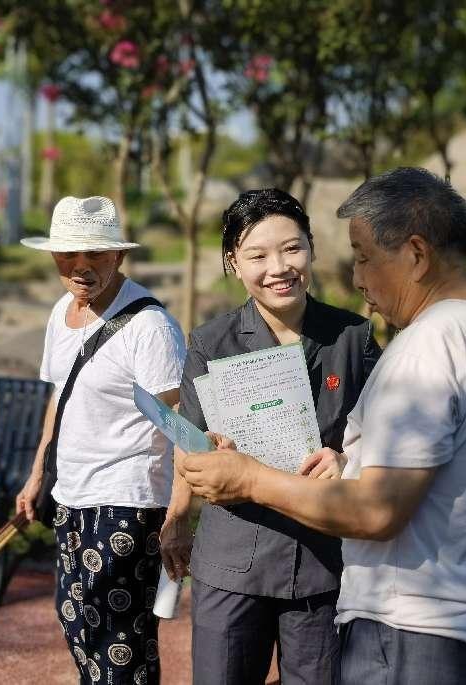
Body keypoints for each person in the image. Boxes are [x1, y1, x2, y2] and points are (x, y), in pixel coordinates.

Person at [178, 167, 466, 684]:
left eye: (363, 257)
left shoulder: (427, 348)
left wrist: (247, 479)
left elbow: (378, 512)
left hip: (415, 639)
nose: (357, 278)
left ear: (416, 255)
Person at [162, 188, 380, 685]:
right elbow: (188, 441)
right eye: (257, 255)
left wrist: (348, 460)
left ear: (312, 249)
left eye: (292, 248)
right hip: (233, 560)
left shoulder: (353, 336)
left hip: (323, 562)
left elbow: (383, 431)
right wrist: (177, 517)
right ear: (233, 263)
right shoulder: (209, 343)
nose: (278, 267)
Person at [15, 196, 186, 685]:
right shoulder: (61, 312)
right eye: (68, 253)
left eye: (95, 254)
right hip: (71, 495)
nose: (80, 266)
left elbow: (178, 424)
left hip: (128, 502)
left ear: (119, 257)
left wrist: (177, 517)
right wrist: (37, 475)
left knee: (119, 643)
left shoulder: (150, 327)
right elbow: (58, 402)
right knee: (75, 621)